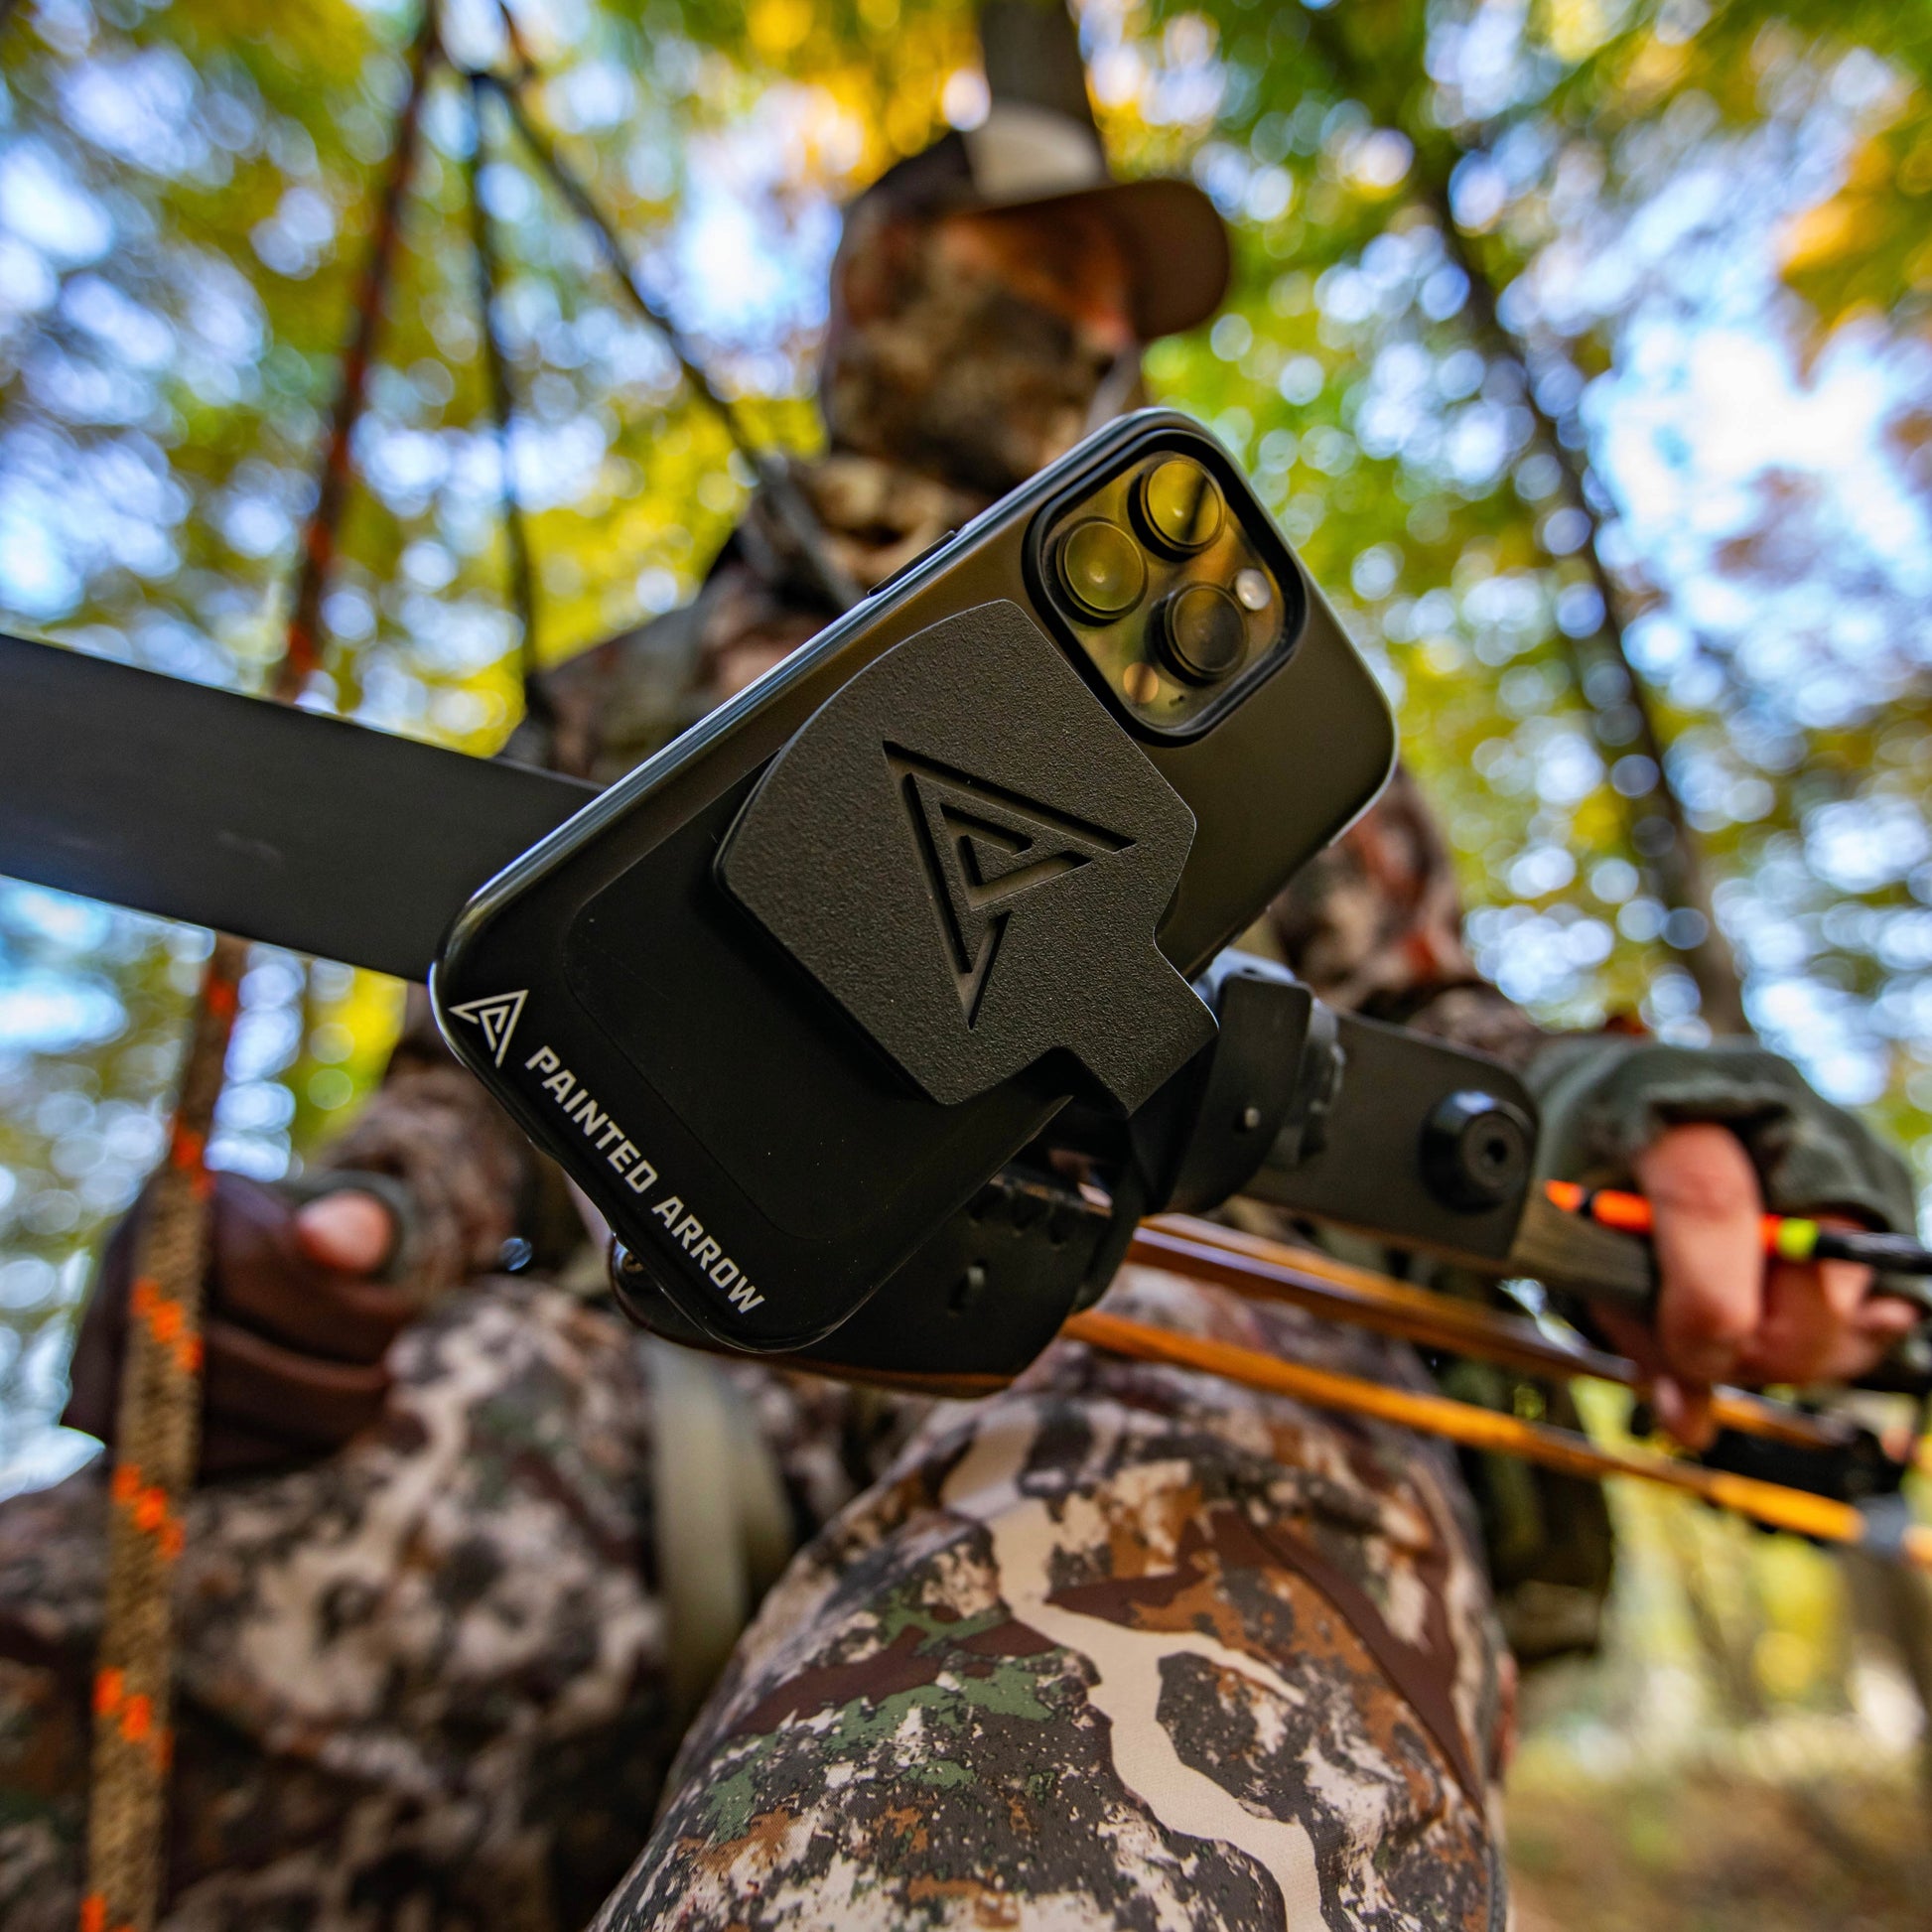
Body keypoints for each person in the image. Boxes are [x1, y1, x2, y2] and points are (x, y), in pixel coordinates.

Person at [0, 100, 1920, 1932]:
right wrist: (342, 1241)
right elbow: (477, 1078)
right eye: (1041, 267)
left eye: (1117, 307)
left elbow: (1429, 1036)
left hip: (1193, 1333)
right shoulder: (633, 693)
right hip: (644, 1369)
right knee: (89, 1640)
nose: (1086, 331)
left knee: (1110, 1770)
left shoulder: (1224, 681)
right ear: (881, 277)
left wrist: (1648, 1129)